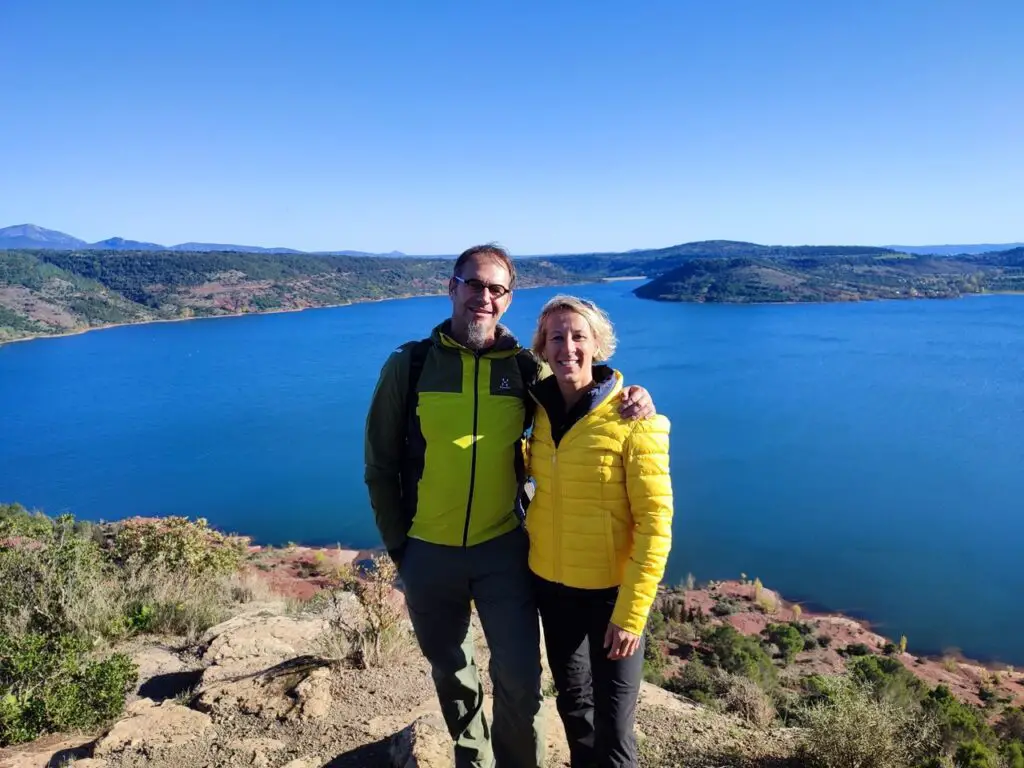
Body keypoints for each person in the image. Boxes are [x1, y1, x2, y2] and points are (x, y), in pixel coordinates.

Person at [363, 245, 656, 768]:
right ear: (451, 287)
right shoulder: (409, 366)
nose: (483, 296)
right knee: (452, 675)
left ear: (508, 298)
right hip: (428, 551)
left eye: (496, 289)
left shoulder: (523, 370)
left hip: (504, 550)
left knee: (521, 680)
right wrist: (400, 547)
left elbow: (580, 396)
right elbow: (381, 466)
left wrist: (635, 397)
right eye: (473, 284)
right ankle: (473, 759)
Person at [525, 294, 673, 768]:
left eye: (578, 336)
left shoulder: (634, 420)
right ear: (543, 350)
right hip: (552, 587)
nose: (567, 346)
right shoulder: (536, 414)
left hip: (611, 596)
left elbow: (656, 525)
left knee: (615, 728)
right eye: (556, 338)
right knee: (574, 710)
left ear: (598, 345)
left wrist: (631, 615)